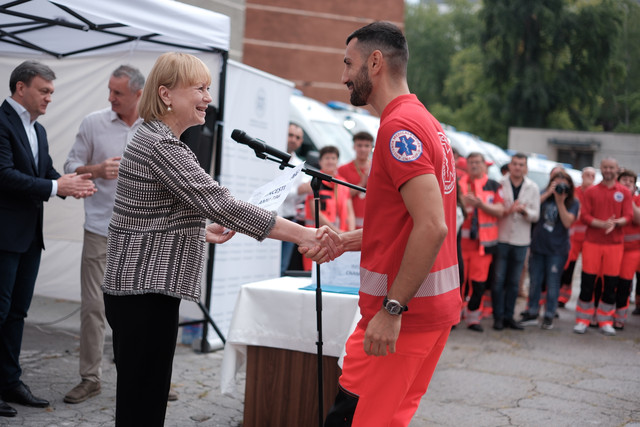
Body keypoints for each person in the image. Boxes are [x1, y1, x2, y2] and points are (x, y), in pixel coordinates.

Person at [101, 52, 339, 427]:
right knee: (143, 403)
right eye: (199, 88)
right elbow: (221, 204)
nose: (208, 98)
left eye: (208, 88)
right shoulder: (163, 146)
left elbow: (152, 214)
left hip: (137, 290)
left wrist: (198, 229)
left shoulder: (152, 136)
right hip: (143, 295)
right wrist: (305, 233)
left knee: (142, 398)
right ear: (166, 94)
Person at [315, 22, 461, 427]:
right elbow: (410, 222)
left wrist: (392, 309)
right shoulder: (425, 122)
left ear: (375, 62)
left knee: (353, 419)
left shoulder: (399, 129)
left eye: (348, 64)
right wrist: (348, 239)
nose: (343, 76)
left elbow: (432, 226)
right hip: (428, 313)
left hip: (403, 317)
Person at [0, 60, 96, 418]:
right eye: (44, 91)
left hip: (28, 238)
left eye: (52, 93)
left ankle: (10, 381)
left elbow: (46, 173)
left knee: (17, 313)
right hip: (5, 236)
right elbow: (4, 175)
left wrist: (74, 184)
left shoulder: (37, 130)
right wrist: (57, 186)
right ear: (20, 88)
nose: (49, 98)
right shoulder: (1, 122)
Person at [63, 65, 145, 404]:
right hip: (100, 229)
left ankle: (142, 377)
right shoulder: (93, 123)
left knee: (140, 311)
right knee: (94, 307)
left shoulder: (156, 128)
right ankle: (90, 378)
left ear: (139, 94)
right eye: (110, 91)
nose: (110, 98)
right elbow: (69, 169)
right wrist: (96, 170)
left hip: (141, 233)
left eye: (118, 93)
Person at [573, 158, 633, 336]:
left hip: (614, 245)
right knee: (588, 281)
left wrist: (616, 223)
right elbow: (584, 216)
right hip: (592, 242)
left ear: (616, 170)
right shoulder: (591, 191)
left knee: (610, 284)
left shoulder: (624, 192)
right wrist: (601, 224)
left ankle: (605, 319)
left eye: (611, 168)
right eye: (605, 167)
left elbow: (628, 216)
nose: (608, 170)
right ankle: (583, 319)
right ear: (601, 169)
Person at [519, 170, 578, 329]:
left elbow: (567, 223)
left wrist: (560, 201)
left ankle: (549, 315)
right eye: (556, 182)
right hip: (538, 246)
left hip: (557, 250)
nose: (559, 186)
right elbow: (532, 208)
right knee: (535, 282)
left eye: (563, 183)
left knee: (553, 284)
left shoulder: (573, 202)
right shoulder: (543, 196)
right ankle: (532, 312)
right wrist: (547, 193)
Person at [491, 153, 540, 331]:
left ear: (525, 168)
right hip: (502, 238)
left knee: (513, 282)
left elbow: (536, 215)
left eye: (521, 164)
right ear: (510, 166)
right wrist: (509, 209)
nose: (518, 167)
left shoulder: (532, 187)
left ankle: (508, 316)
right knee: (498, 280)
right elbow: (494, 208)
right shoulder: (499, 184)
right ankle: (497, 316)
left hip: (521, 240)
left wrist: (525, 212)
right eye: (515, 164)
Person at [458, 152, 504, 332]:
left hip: (482, 246)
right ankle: (455, 317)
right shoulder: (459, 185)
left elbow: (500, 210)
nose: (474, 165)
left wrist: (481, 205)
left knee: (478, 284)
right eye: (471, 163)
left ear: (485, 165)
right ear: (466, 165)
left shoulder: (493, 185)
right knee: (459, 283)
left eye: (478, 162)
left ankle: (473, 318)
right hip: (460, 244)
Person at [302, 145, 355, 270]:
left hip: (339, 239)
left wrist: (350, 233)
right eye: (327, 158)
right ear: (320, 161)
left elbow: (350, 211)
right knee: (315, 273)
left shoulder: (343, 183)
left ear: (337, 161)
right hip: (317, 238)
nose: (330, 161)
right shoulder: (314, 182)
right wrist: (337, 232)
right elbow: (316, 213)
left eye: (333, 158)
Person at [558, 166, 596, 307]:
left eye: (592, 175)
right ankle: (562, 297)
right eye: (587, 174)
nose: (589, 177)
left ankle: (586, 298)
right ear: (581, 175)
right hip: (574, 237)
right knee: (569, 267)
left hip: (590, 238)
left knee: (589, 270)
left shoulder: (595, 193)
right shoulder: (575, 192)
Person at [277, 122, 310, 275]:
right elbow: (277, 190)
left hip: (290, 219)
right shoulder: (273, 158)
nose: (293, 140)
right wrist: (297, 190)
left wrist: (298, 191)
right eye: (290, 135)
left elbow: (305, 191)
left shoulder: (299, 165)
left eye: (297, 137)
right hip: (272, 218)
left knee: (283, 267)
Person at [614, 169, 640, 329]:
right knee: (610, 283)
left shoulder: (637, 199)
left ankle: (620, 317)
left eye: (631, 181)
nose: (628, 182)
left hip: (632, 251)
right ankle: (606, 313)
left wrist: (628, 198)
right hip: (613, 247)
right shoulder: (613, 197)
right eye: (624, 180)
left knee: (625, 283)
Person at [338, 131, 374, 229]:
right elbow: (340, 197)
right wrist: (361, 184)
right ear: (354, 147)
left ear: (371, 148)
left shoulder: (377, 169)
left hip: (371, 223)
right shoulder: (343, 170)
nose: (363, 149)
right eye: (359, 145)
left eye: (367, 146)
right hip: (349, 225)